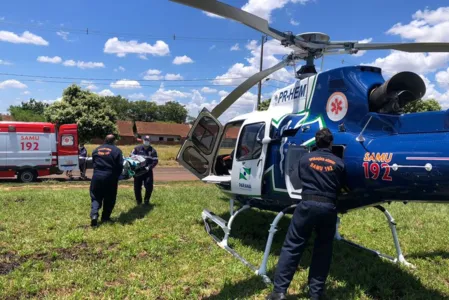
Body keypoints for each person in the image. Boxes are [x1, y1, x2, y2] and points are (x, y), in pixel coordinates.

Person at [267, 128, 346, 300]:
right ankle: (316, 293)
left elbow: (296, 180)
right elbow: (342, 186)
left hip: (306, 205)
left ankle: (279, 292)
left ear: (316, 142)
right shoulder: (339, 163)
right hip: (328, 208)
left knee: (292, 246)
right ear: (331, 143)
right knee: (323, 250)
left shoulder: (304, 159)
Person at [89, 134, 124, 227]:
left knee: (96, 196)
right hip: (110, 177)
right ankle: (105, 217)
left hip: (97, 176)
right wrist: (118, 176)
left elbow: (93, 163)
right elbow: (120, 165)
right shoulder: (117, 151)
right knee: (110, 197)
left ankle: (94, 215)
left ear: (104, 140)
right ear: (114, 141)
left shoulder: (96, 150)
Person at [131, 135, 158, 205]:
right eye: (145, 140)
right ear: (143, 140)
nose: (146, 141)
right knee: (137, 187)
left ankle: (146, 200)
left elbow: (155, 161)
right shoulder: (137, 149)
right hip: (138, 171)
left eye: (148, 140)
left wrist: (149, 167)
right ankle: (138, 201)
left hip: (147, 171)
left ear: (150, 142)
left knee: (149, 186)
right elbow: (131, 157)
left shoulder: (153, 151)